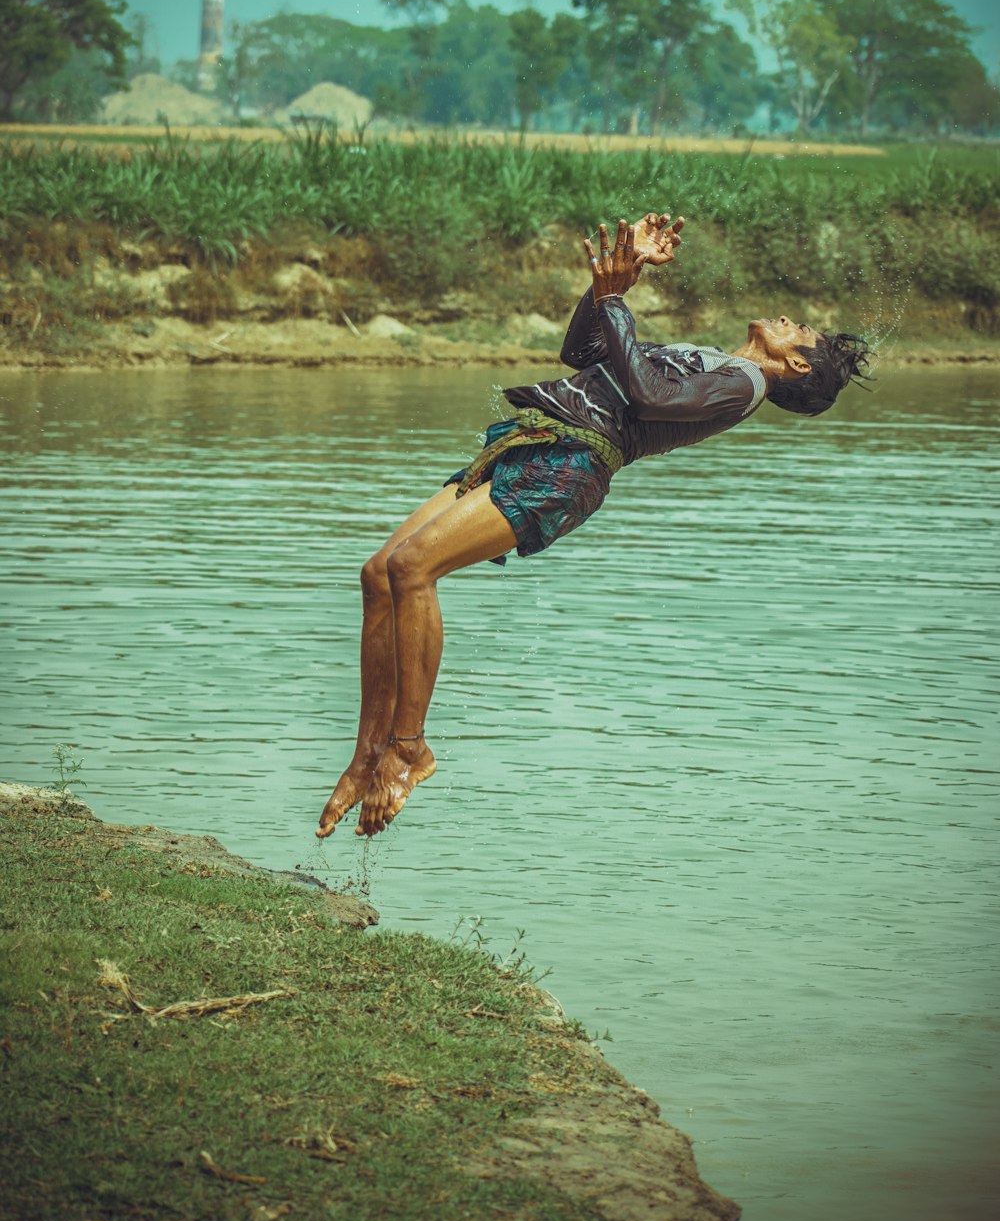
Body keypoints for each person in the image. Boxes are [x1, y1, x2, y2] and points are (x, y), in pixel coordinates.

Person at [316, 212, 871, 840]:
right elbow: (580, 354)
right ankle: (366, 757)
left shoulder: (745, 384)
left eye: (802, 332)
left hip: (571, 463)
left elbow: (649, 399)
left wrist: (615, 302)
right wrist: (611, 290)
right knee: (379, 574)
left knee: (411, 569)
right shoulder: (721, 361)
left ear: (797, 366)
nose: (791, 321)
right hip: (538, 440)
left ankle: (409, 748)